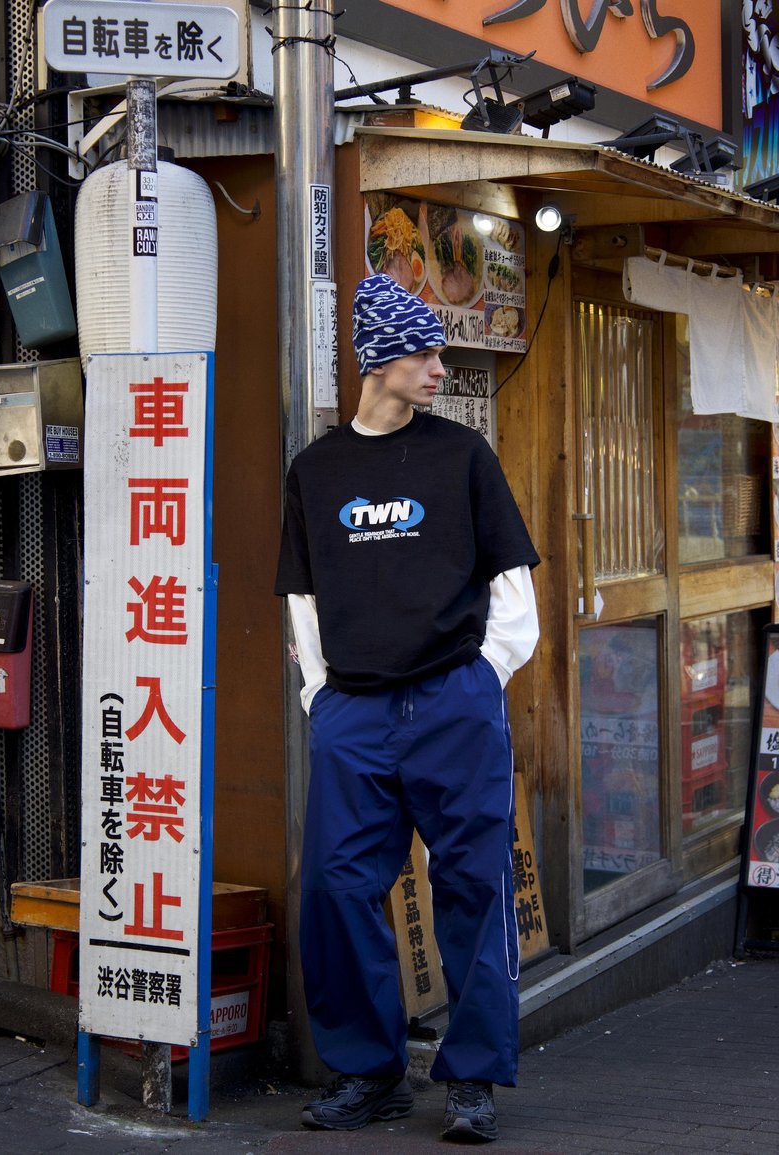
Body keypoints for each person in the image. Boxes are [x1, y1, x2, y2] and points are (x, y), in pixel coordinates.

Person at [274, 273, 540, 1143]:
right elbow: (302, 595)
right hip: (353, 709)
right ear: (380, 360)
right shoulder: (316, 470)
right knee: (337, 885)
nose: (438, 368)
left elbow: (511, 580)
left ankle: (472, 1079)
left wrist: (484, 675)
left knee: (473, 883)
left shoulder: (462, 456)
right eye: (424, 353)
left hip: (455, 698)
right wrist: (320, 696)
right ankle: (370, 1070)